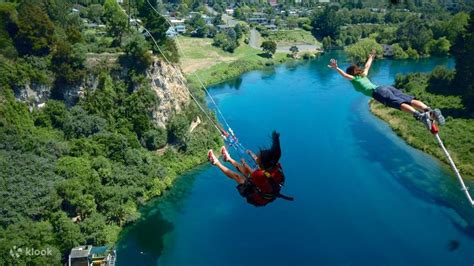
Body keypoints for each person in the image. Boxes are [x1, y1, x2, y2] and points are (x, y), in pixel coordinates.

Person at [328, 50, 445, 130]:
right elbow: (367, 66)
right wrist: (371, 56)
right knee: (408, 99)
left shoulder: (354, 79)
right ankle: (428, 110)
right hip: (385, 87)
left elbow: (344, 76)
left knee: (398, 103)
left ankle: (419, 116)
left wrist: (336, 68)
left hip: (378, 92)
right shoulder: (363, 74)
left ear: (351, 74)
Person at [207, 131, 293, 207]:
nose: (257, 158)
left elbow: (249, 171)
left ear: (262, 165)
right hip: (264, 187)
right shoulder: (275, 165)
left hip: (257, 197)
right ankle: (228, 158)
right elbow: (259, 162)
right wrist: (251, 154)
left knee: (239, 177)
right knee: (246, 171)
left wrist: (244, 163)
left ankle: (215, 162)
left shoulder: (260, 174)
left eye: (258, 159)